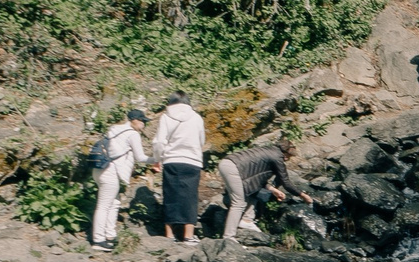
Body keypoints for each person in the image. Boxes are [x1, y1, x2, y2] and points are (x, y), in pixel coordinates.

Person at [219, 134, 314, 244]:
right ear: (285, 153)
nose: (287, 159)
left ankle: (247, 219)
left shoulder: (268, 150)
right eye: (288, 156)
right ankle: (228, 238)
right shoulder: (277, 157)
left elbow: (256, 178)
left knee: (253, 188)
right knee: (238, 203)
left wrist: (274, 190)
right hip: (233, 168)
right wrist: (303, 195)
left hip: (229, 164)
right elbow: (286, 182)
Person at [149, 93, 206, 242]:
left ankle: (169, 235)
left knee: (170, 195)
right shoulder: (197, 117)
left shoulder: (166, 117)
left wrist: (158, 159)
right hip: (192, 160)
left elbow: (160, 142)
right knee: (190, 197)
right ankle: (188, 236)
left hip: (172, 160)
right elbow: (202, 139)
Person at [89, 108, 149, 250]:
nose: (143, 125)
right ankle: (98, 240)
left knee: (114, 203)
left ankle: (110, 235)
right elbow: (140, 158)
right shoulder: (133, 134)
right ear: (134, 120)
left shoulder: (114, 129)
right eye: (142, 121)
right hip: (110, 172)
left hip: (99, 169)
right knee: (104, 205)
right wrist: (157, 159)